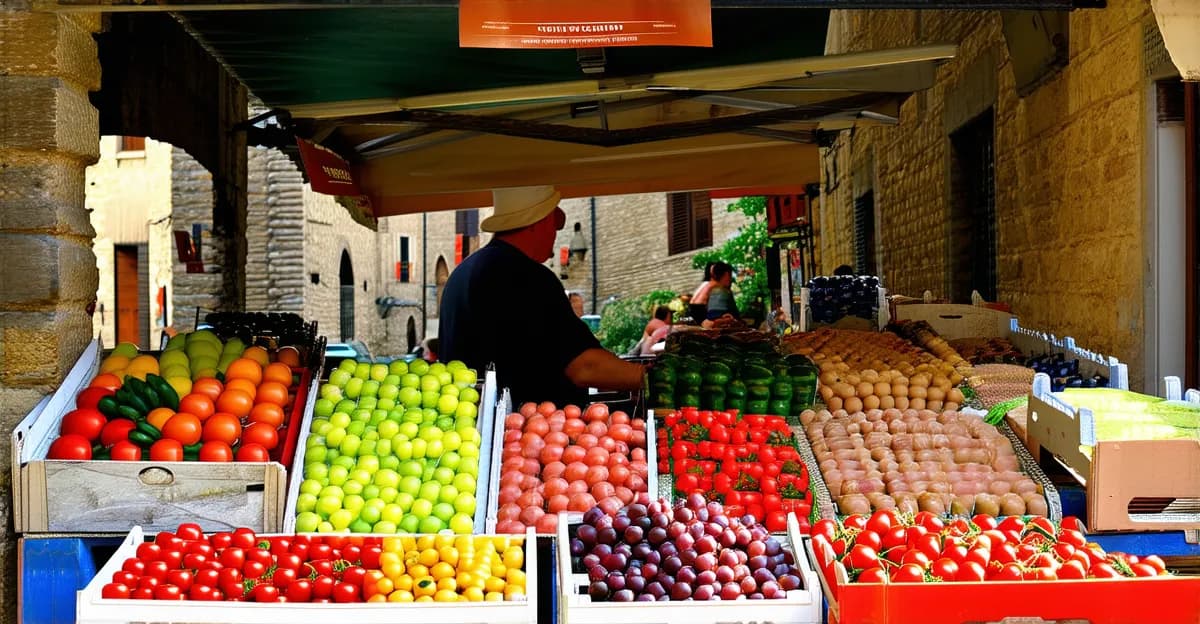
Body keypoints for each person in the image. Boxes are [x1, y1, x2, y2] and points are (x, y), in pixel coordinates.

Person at [438, 186, 646, 407]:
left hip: (470, 428)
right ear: (540, 221)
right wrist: (652, 377)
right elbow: (584, 367)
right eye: (554, 225)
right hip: (527, 432)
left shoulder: (459, 275)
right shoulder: (527, 276)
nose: (555, 235)